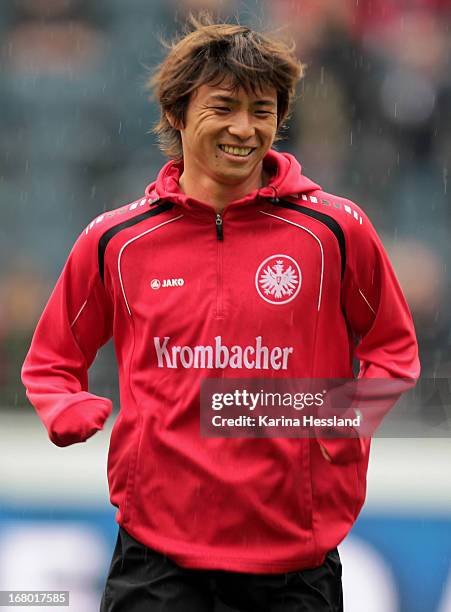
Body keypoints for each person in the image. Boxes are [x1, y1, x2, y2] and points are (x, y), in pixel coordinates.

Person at [21, 14, 420, 612]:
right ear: (178, 114)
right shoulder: (116, 240)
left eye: (263, 111)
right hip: (157, 562)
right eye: (224, 107)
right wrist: (66, 406)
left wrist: (340, 421)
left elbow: (394, 348)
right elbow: (52, 360)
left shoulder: (335, 231)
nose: (245, 128)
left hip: (295, 566)